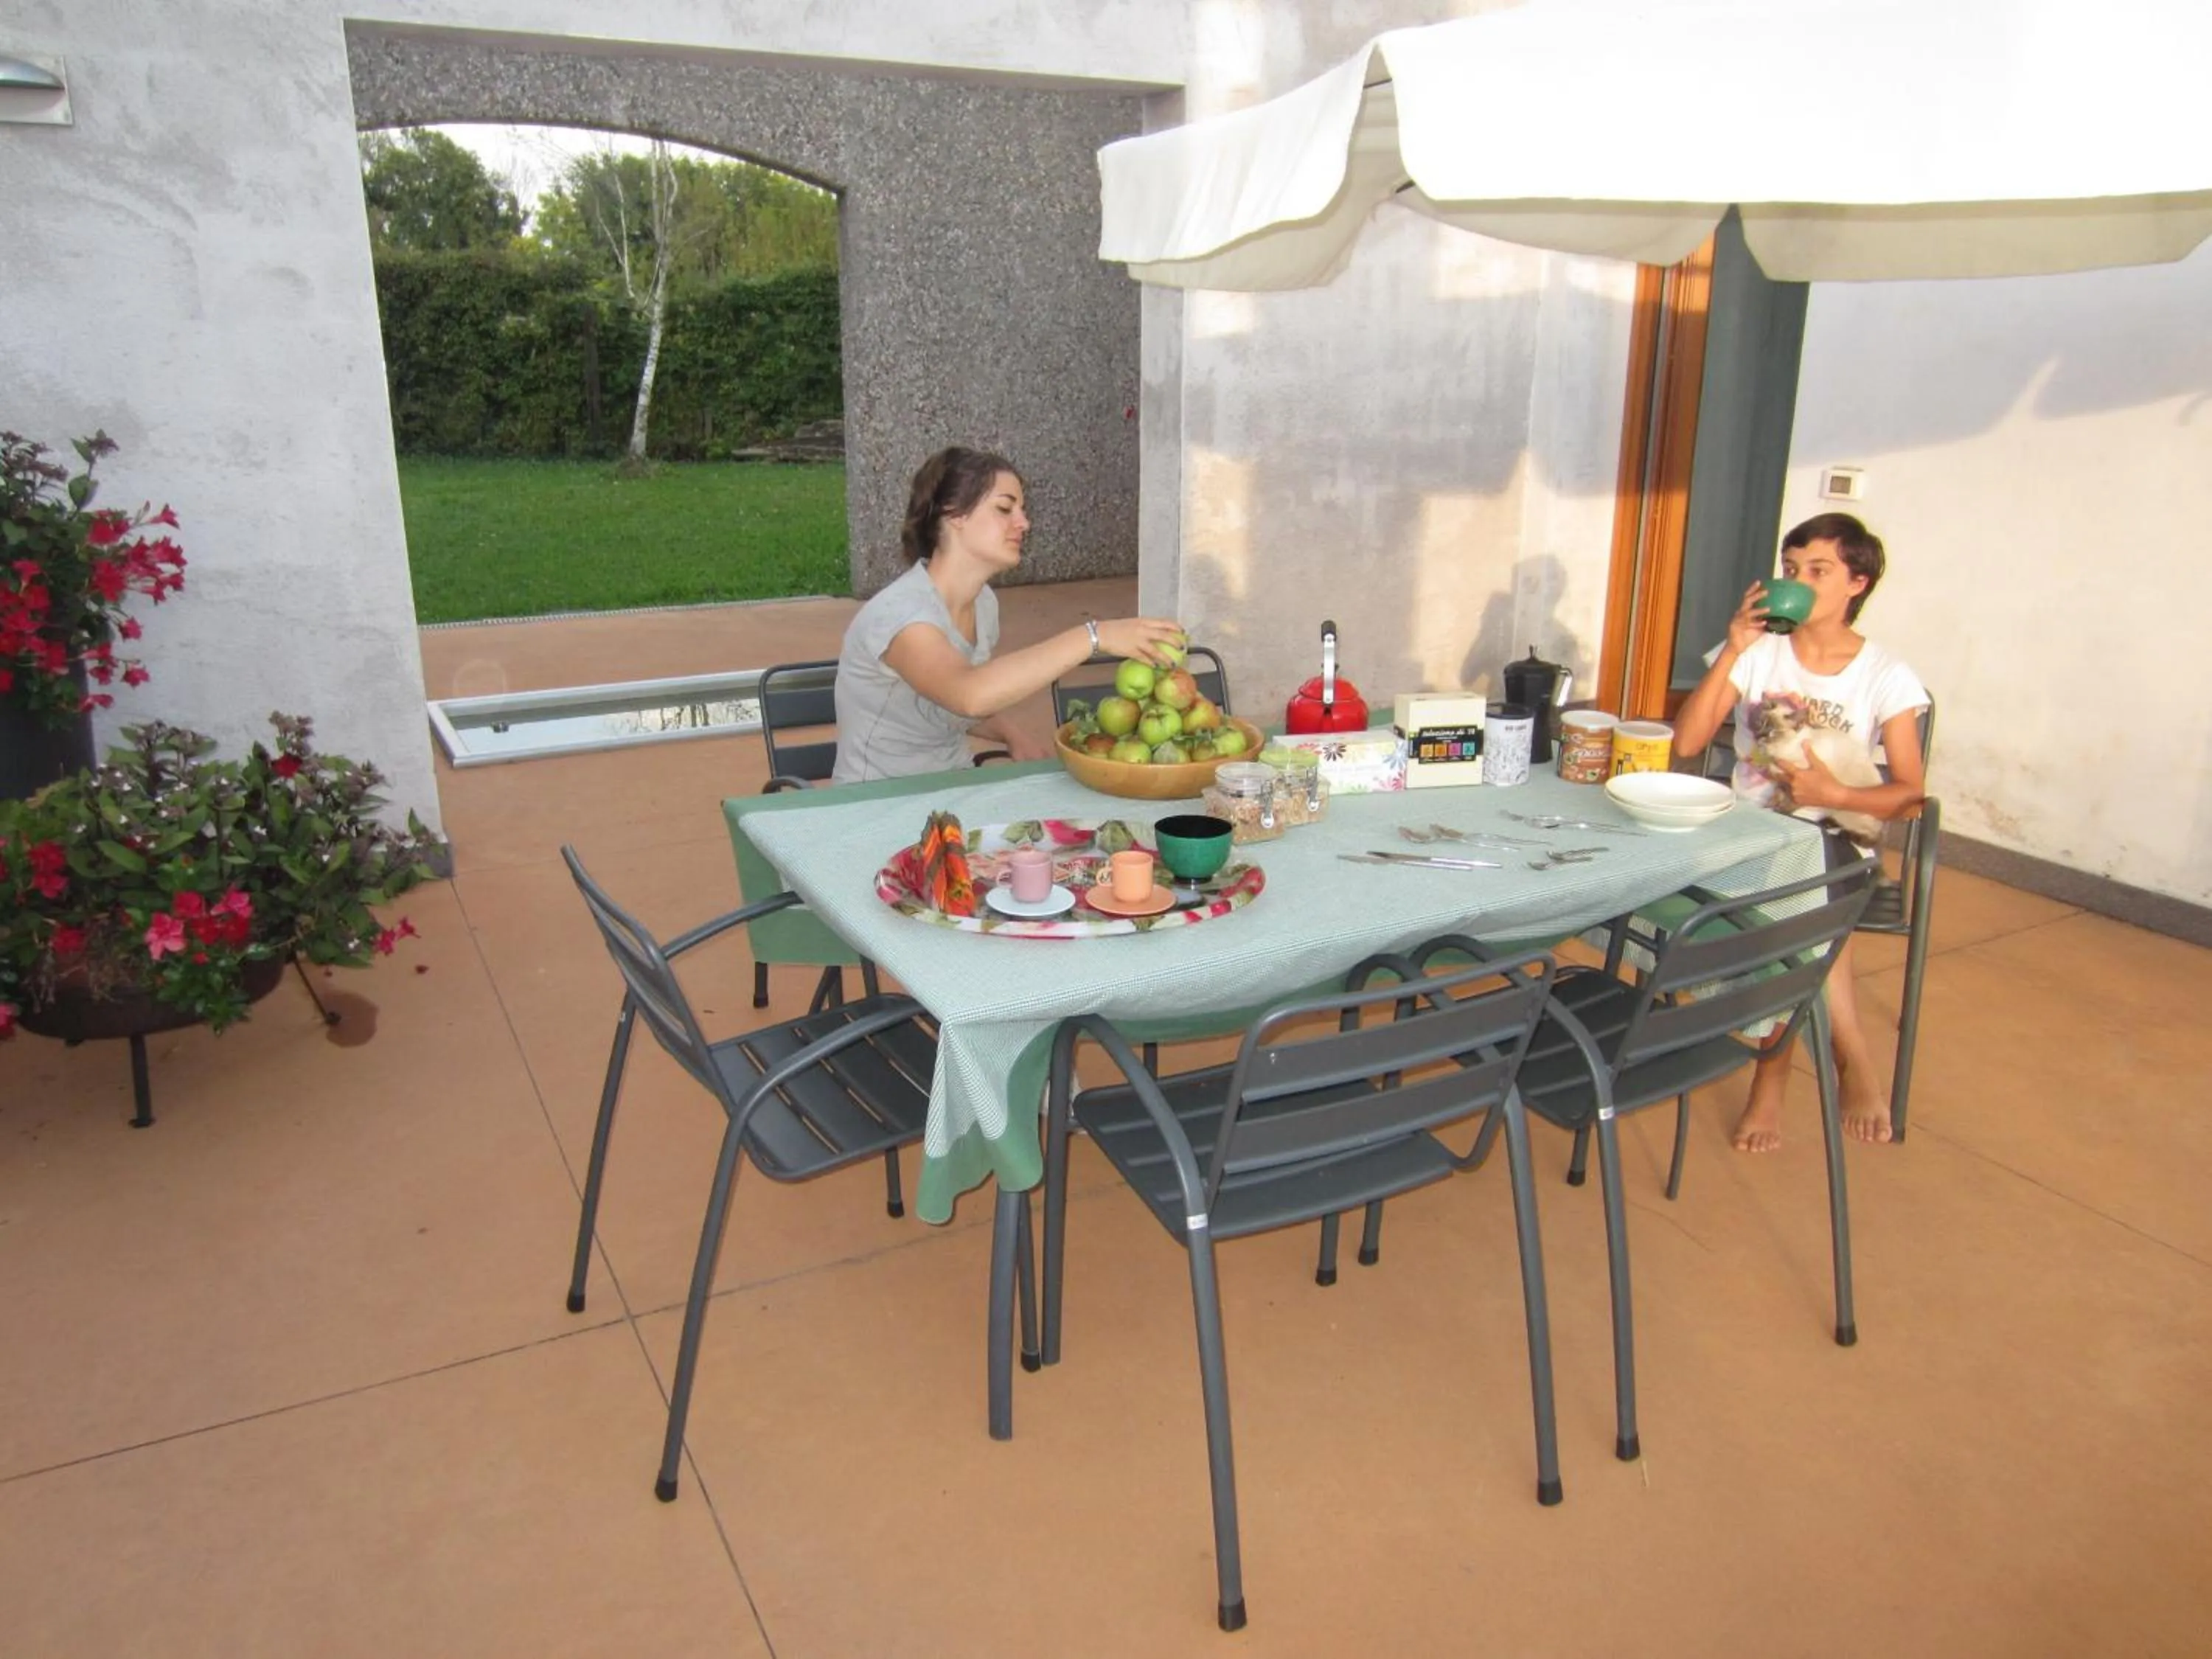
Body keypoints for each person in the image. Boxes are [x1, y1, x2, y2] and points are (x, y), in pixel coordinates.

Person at [1672, 512, 1930, 1151]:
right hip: (1747, 831)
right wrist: (1734, 647)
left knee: (1797, 892)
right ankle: (1845, 1053)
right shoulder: (1757, 652)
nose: (1799, 582)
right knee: (1785, 895)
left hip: (1834, 836)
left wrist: (1834, 795)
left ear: (1857, 584)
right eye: (1791, 570)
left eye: (1819, 570)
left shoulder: (1885, 674)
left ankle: (1782, 1074)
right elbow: (1688, 741)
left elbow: (1909, 794)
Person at [830, 446, 1185, 784]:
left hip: (951, 788)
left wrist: (1012, 735)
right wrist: (1094, 636)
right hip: (876, 800)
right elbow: (967, 693)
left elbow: (945, 703)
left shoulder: (983, 604)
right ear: (954, 514)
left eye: (1022, 510)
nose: (1024, 523)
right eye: (1005, 509)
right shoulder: (901, 616)